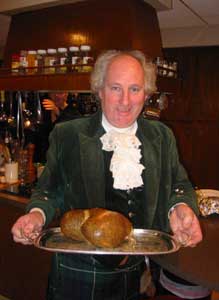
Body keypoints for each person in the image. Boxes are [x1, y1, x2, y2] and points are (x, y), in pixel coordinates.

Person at [11, 50, 203, 300]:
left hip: (138, 271)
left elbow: (179, 184)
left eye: (134, 89)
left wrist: (179, 207)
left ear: (146, 94)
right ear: (99, 90)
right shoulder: (67, 134)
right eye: (115, 88)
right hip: (79, 270)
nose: (125, 101)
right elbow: (49, 190)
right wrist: (36, 215)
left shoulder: (161, 137)